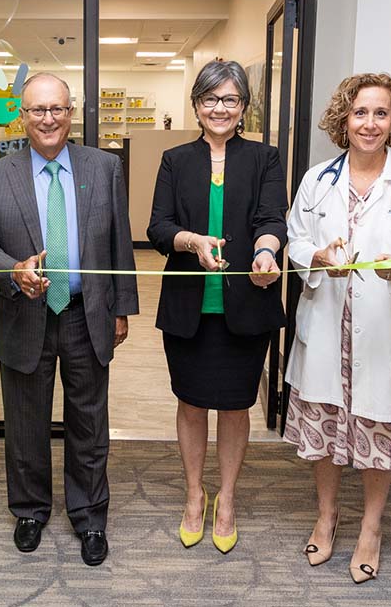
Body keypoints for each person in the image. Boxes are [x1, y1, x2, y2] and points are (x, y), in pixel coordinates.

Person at [0, 73, 139, 566]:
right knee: (25, 423)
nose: (48, 119)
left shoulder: (104, 166)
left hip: (88, 315)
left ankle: (89, 518)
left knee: (89, 422)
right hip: (25, 314)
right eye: (38, 110)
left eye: (57, 109)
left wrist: (122, 307)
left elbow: (118, 241)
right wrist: (13, 272)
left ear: (71, 112)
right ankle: (30, 510)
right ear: (22, 114)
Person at [284, 73, 391, 583]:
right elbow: (294, 240)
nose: (370, 123)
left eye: (381, 114)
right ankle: (327, 514)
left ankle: (371, 528)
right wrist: (315, 256)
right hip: (327, 330)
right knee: (327, 431)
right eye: (360, 113)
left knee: (377, 432)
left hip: (383, 335)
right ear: (344, 119)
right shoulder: (317, 180)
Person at [147, 60, 288, 554]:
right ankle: (193, 494)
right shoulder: (175, 159)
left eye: (230, 99)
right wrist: (191, 242)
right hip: (189, 304)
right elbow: (158, 227)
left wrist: (266, 251)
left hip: (247, 304)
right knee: (190, 403)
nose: (220, 108)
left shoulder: (265, 159)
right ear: (197, 105)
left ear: (244, 106)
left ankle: (226, 499)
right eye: (210, 99)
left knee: (234, 406)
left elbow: (273, 218)